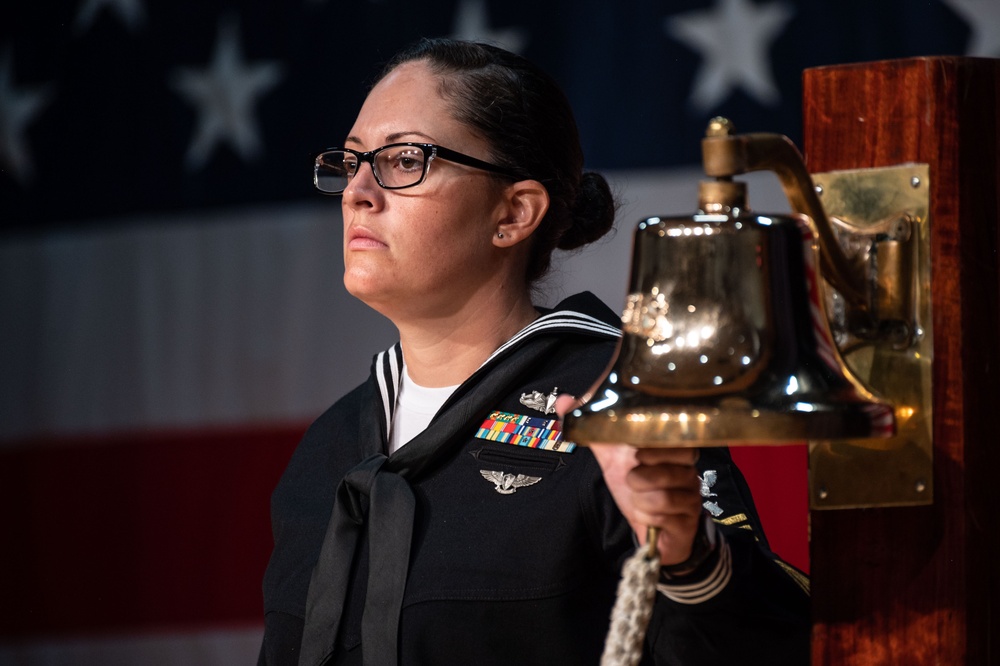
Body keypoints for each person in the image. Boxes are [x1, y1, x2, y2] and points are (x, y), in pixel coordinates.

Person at [259, 38, 810, 666]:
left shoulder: (620, 407)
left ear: (514, 213)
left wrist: (691, 553)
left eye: (404, 159)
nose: (358, 190)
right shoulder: (326, 451)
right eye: (352, 160)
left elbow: (769, 648)